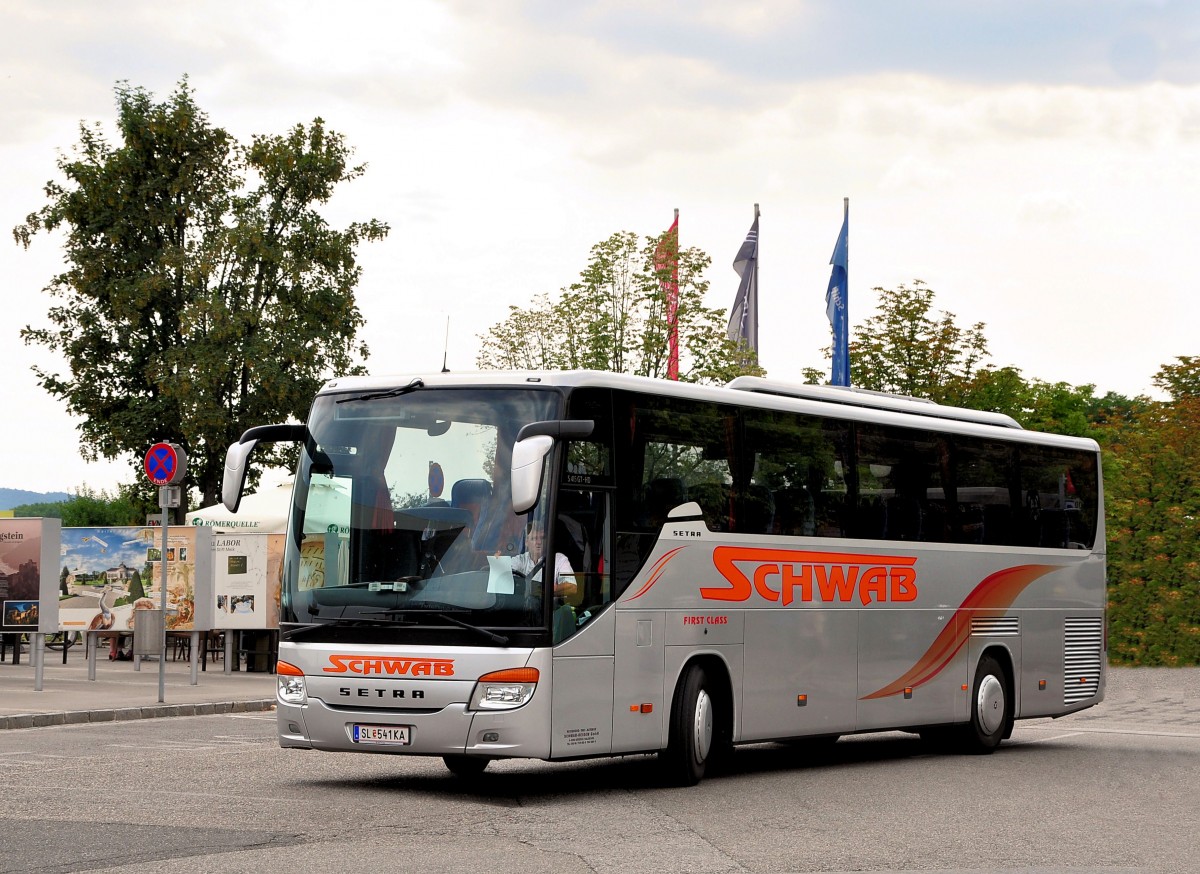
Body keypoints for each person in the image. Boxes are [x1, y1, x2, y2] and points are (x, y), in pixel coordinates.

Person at [507, 523, 577, 599]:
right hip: (521, 607)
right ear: (526, 542)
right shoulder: (520, 560)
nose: (539, 542)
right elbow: (503, 575)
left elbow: (571, 587)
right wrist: (497, 560)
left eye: (542, 538)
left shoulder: (559, 559)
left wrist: (542, 590)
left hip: (548, 609)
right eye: (534, 538)